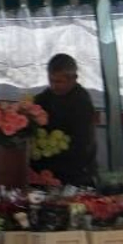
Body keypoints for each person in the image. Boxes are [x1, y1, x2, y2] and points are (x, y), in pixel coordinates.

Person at [33, 53, 98, 187]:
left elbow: (82, 144)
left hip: (75, 172)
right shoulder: (45, 97)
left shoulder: (82, 102)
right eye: (51, 81)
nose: (54, 86)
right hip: (45, 170)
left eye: (59, 82)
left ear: (73, 78)